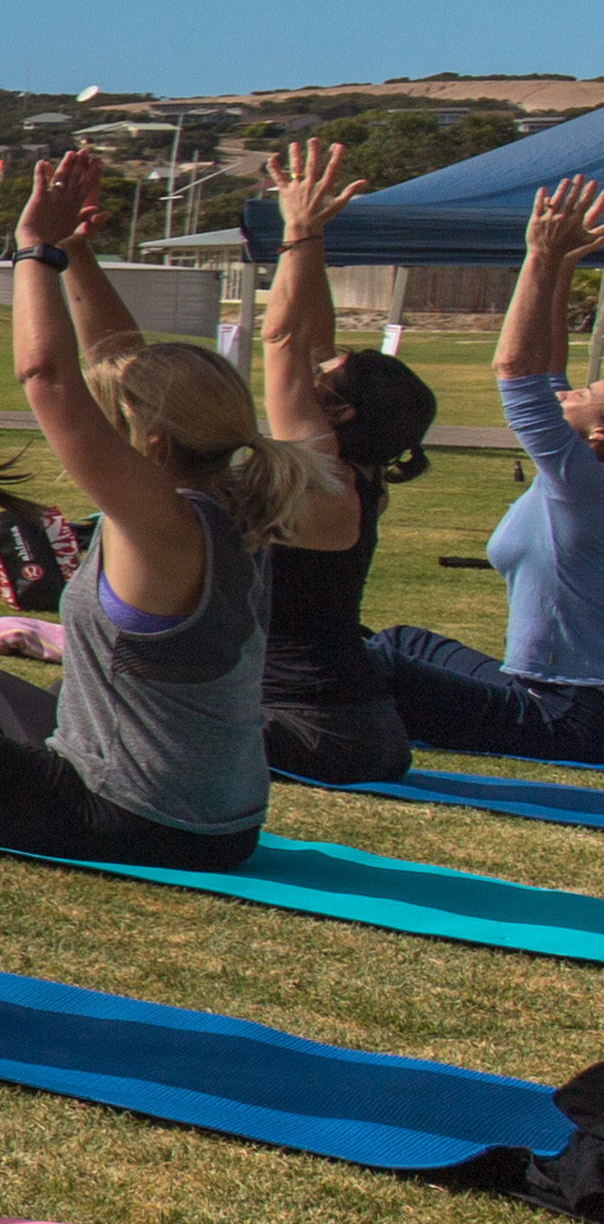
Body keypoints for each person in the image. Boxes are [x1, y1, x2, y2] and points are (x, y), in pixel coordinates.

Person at [0, 146, 346, 869]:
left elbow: (47, 376)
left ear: (151, 438)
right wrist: (75, 251)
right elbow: (121, 356)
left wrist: (31, 252)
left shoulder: (161, 521)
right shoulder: (227, 490)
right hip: (213, 818)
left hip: (130, 818)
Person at [373, 176, 604, 768]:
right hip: (540, 688)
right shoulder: (575, 473)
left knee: (370, 667)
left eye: (595, 388)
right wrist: (560, 270)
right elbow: (549, 370)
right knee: (397, 642)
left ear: (598, 436)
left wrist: (540, 255)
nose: (580, 384)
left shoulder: (584, 482)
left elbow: (517, 369)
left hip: (571, 715)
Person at [237, 136, 438, 783]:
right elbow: (311, 338)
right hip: (358, 726)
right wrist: (313, 238)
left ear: (344, 412)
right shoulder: (357, 473)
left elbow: (284, 341)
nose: (322, 362)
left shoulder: (321, 474)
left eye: (334, 371)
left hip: (315, 728)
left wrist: (294, 231)